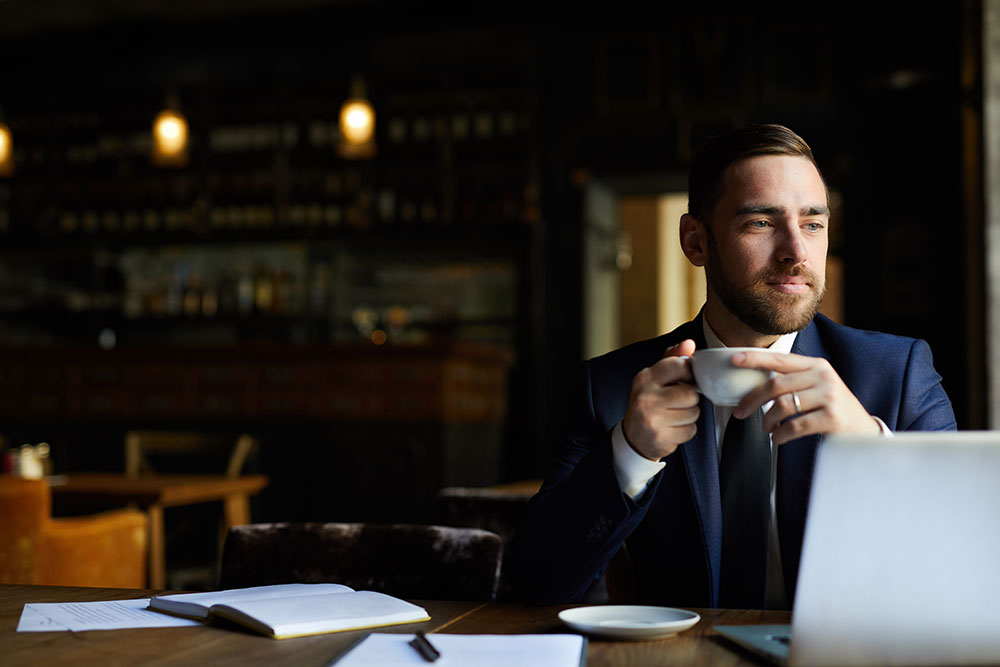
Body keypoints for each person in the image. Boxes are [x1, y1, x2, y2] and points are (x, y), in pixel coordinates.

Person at [505, 124, 956, 610]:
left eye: (813, 224)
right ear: (695, 241)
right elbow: (534, 586)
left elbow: (969, 566)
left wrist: (870, 448)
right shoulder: (613, 388)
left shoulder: (897, 373)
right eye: (760, 223)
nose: (796, 252)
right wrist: (631, 452)